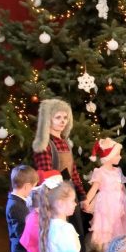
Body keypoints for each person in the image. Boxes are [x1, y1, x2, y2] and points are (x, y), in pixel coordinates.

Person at [32, 99, 87, 238]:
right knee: (62, 235)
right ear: (47, 120)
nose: (63, 121)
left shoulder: (65, 142)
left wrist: (82, 195)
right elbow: (46, 178)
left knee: (77, 233)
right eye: (58, 117)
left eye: (65, 117)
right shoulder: (45, 144)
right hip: (57, 199)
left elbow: (73, 171)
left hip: (70, 195)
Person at [82, 138, 126, 252]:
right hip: (106, 207)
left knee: (119, 233)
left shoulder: (118, 171)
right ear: (109, 156)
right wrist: (86, 201)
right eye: (117, 154)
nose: (120, 157)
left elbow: (123, 188)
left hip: (119, 205)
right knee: (107, 235)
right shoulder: (100, 172)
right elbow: (94, 189)